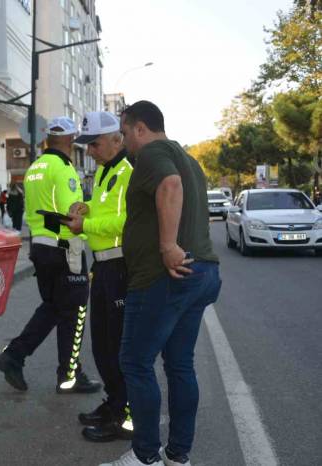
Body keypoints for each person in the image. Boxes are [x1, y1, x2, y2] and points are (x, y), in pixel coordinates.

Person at [99, 101, 221, 466]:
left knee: (135, 363)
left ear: (140, 128)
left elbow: (170, 186)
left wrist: (167, 246)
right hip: (200, 274)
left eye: (124, 133)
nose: (123, 143)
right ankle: (178, 455)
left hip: (163, 277)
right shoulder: (189, 159)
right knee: (180, 365)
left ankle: (145, 456)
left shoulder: (153, 153)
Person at [0, 116, 101, 395]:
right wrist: (92, 215)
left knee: (54, 307)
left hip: (41, 248)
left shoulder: (35, 168)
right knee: (74, 312)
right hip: (65, 248)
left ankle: (15, 356)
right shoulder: (63, 167)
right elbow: (71, 212)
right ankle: (68, 375)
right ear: (67, 141)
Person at [66, 111, 134, 442]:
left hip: (121, 267)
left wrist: (86, 225)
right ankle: (114, 404)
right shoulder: (107, 170)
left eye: (93, 144)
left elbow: (127, 222)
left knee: (118, 347)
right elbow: (107, 211)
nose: (89, 151)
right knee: (102, 345)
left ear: (116, 139)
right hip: (103, 266)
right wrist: (85, 207)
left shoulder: (129, 170)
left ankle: (124, 417)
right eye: (87, 146)